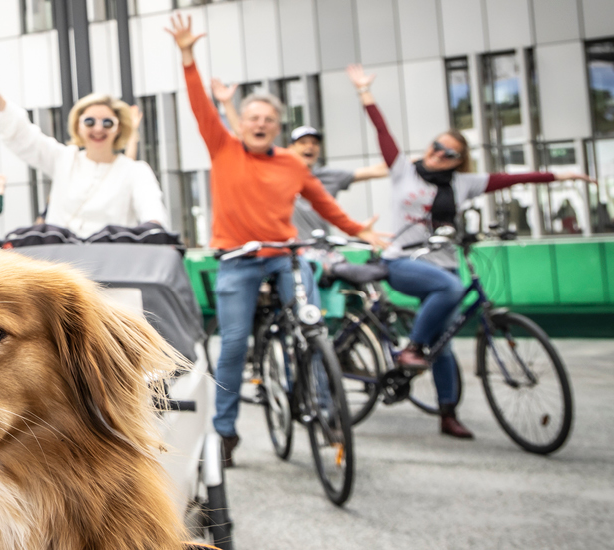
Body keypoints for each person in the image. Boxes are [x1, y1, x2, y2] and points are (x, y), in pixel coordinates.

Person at [166, 14, 391, 467]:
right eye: (253, 117)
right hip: (238, 260)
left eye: (268, 118)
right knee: (231, 345)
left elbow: (325, 204)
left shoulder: (292, 163)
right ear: (242, 123)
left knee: (313, 329)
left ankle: (327, 411)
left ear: (276, 126)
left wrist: (358, 231)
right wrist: (188, 57)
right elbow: (198, 106)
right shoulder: (224, 149)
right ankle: (225, 433)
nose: (261, 123)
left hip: (286, 258)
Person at [348, 64, 593, 439]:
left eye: (450, 153)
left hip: (444, 263)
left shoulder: (465, 183)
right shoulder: (402, 171)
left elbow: (515, 178)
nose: (440, 154)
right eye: (436, 146)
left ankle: (447, 413)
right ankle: (412, 348)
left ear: (459, 161)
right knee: (447, 293)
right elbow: (383, 132)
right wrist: (365, 92)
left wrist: (562, 176)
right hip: (401, 260)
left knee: (442, 344)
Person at [0, 48, 168, 237]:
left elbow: (152, 214)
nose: (98, 129)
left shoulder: (136, 171)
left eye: (107, 123)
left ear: (119, 128)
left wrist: (155, 228)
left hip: (114, 264)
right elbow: (21, 132)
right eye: (90, 121)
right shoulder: (63, 158)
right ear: (78, 126)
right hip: (60, 263)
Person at [206, 79, 389, 236]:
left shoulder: (329, 176)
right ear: (290, 148)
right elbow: (244, 136)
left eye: (314, 143)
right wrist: (227, 104)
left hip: (320, 252)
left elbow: (378, 170)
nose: (309, 147)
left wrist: (412, 164)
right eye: (303, 143)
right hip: (287, 248)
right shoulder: (277, 168)